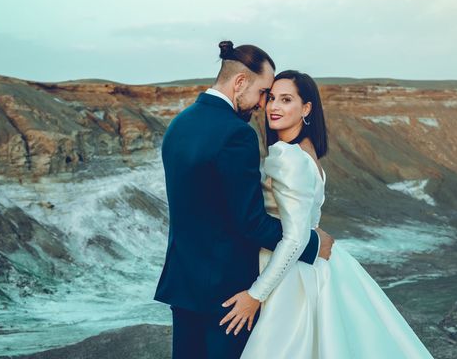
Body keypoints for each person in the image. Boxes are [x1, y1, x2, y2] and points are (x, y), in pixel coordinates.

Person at [220, 70, 435, 358]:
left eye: (286, 99)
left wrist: (255, 296)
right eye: (271, 98)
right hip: (314, 267)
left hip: (288, 276)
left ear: (306, 108)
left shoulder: (286, 157)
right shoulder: (307, 151)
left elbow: (295, 239)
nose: (273, 107)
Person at [154, 43, 335, 359]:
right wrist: (311, 244)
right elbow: (249, 222)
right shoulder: (236, 134)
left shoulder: (179, 124)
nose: (263, 104)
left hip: (183, 283)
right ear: (239, 83)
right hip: (227, 293)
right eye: (264, 92)